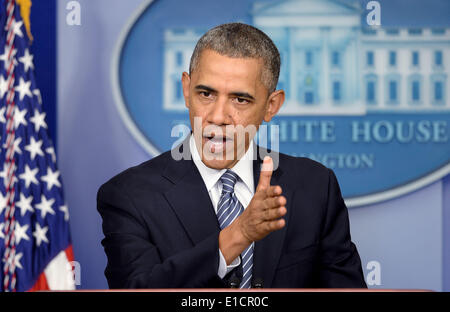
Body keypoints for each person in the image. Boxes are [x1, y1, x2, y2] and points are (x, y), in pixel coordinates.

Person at [97, 23, 367, 289]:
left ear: (271, 106)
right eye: (205, 93)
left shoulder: (315, 186)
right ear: (186, 90)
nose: (217, 117)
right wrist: (238, 235)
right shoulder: (129, 195)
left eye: (240, 100)